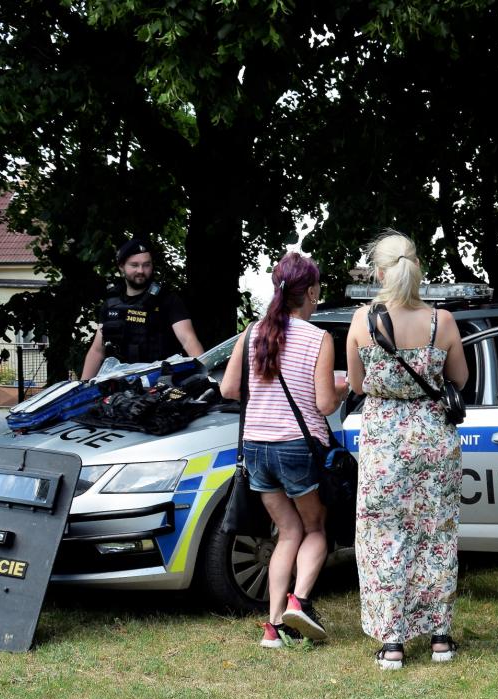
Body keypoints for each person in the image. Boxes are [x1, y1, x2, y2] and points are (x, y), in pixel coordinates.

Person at [346, 231, 468, 670]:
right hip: (434, 438)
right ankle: (440, 638)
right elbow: (460, 378)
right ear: (417, 268)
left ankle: (393, 641)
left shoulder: (362, 321)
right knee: (436, 533)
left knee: (384, 536)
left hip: (384, 442)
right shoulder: (442, 321)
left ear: (379, 273)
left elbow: (357, 384)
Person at [220, 252, 345, 648]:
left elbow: (228, 389)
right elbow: (324, 404)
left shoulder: (252, 333)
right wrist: (342, 389)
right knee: (315, 528)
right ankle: (299, 602)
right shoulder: (318, 338)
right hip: (296, 448)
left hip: (256, 448)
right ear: (311, 292)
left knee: (286, 532)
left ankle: (273, 626)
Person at [82, 237, 205, 379]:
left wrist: (206, 375)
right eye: (134, 265)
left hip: (161, 381)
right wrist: (81, 386)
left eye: (146, 265)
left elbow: (188, 339)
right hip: (120, 383)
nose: (141, 270)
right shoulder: (111, 305)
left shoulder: (167, 300)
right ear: (121, 267)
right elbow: (97, 351)